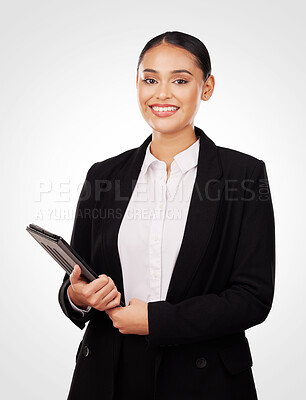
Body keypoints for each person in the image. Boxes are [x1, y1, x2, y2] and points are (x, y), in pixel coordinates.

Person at [58, 31, 275, 400]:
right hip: (107, 375)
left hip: (204, 378)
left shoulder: (244, 175)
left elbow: (253, 297)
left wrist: (156, 321)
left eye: (179, 80)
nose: (161, 94)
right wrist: (79, 297)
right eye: (149, 79)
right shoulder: (104, 176)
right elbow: (75, 281)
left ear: (206, 88)